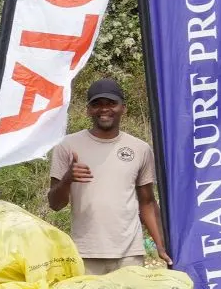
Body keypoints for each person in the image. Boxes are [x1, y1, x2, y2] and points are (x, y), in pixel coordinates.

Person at [47, 77, 167, 274]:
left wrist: (160, 245)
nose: (104, 109)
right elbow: (55, 204)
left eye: (111, 103)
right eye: (97, 104)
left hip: (130, 256)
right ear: (88, 110)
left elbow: (147, 202)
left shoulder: (140, 148)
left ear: (123, 108)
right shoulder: (67, 146)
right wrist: (68, 179)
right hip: (85, 255)